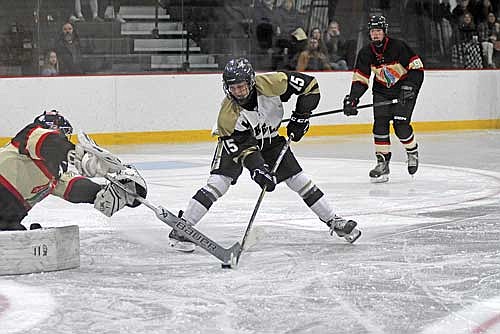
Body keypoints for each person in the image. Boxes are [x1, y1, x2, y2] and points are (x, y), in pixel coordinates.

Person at [169, 57, 361, 252]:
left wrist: (301, 116)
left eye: (242, 86)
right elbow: (244, 150)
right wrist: (258, 170)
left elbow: (310, 86)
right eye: (233, 87)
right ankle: (182, 227)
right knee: (219, 182)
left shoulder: (274, 83)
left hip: (270, 140)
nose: (238, 92)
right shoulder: (228, 116)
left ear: (251, 82)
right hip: (238, 142)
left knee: (299, 180)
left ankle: (334, 221)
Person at [0, 110, 147, 231]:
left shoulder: (54, 172)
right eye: (63, 134)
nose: (65, 137)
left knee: (15, 237)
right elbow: (49, 142)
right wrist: (72, 153)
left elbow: (71, 187)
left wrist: (104, 193)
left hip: (7, 217)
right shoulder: (30, 135)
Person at [343, 15, 424, 183]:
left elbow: (417, 68)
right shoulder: (366, 52)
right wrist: (353, 98)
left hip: (404, 90)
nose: (376, 34)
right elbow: (360, 79)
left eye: (378, 31)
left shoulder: (399, 46)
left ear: (385, 32)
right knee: (380, 124)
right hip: (381, 91)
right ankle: (382, 164)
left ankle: (412, 151)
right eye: (373, 31)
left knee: (400, 125)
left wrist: (410, 87)